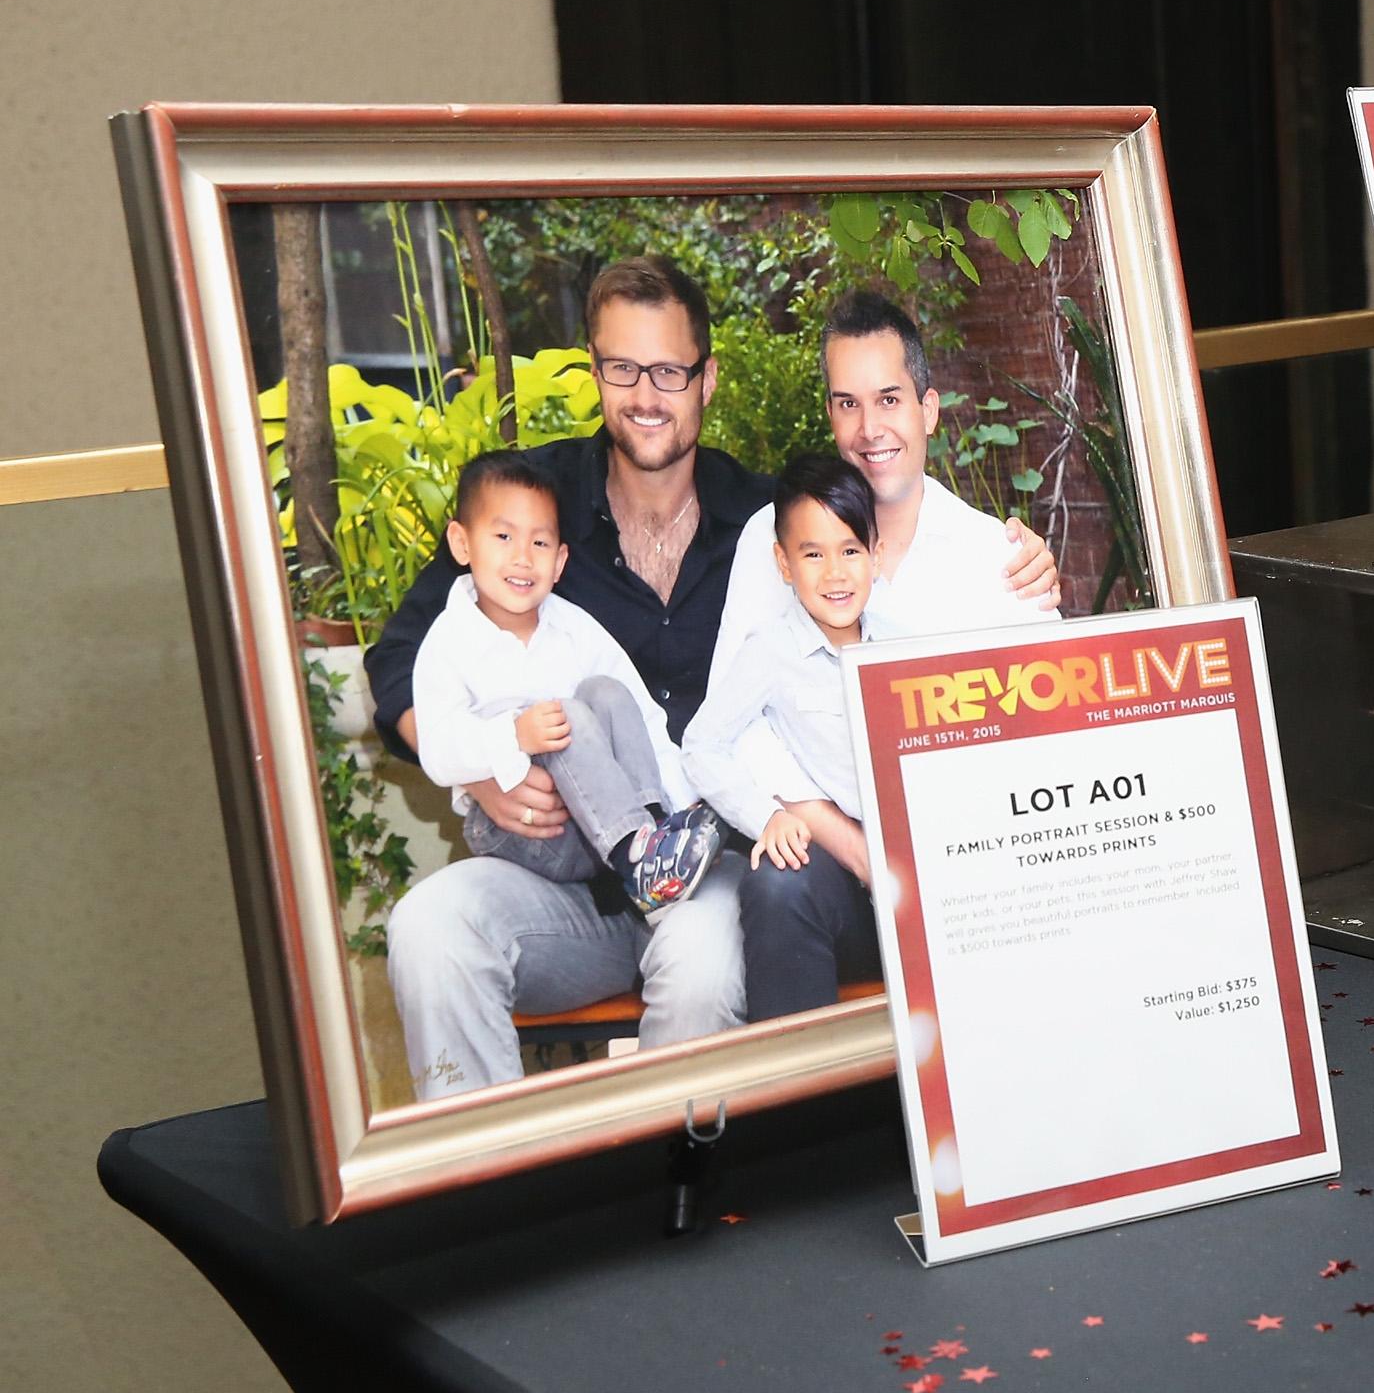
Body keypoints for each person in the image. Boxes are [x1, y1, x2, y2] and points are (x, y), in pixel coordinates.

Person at [366, 256, 1061, 1100]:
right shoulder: (531, 511)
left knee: (701, 967)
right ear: (595, 374)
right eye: (623, 369)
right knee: (429, 930)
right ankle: (488, 1185)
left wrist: (1023, 563)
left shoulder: (767, 524)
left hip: (698, 873)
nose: (646, 394)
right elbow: (399, 659)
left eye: (669, 371)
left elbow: (848, 597)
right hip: (552, 876)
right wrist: (482, 765)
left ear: (707, 380)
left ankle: (686, 1195)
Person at [708, 290, 1058, 1019]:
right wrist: (857, 848)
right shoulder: (767, 545)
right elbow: (735, 733)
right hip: (834, 864)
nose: (870, 429)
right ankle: (806, 1119)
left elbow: (1041, 739)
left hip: (967, 874)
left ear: (928, 409)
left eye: (889, 399)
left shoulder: (996, 557)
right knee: (776, 885)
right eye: (846, 404)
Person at [410, 450, 726, 910]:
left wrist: (686, 801)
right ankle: (638, 862)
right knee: (570, 716)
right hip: (521, 826)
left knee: (607, 692)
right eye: (503, 536)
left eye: (539, 544)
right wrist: (513, 736)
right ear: (461, 544)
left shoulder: (575, 628)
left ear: (559, 562)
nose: (522, 558)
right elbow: (438, 754)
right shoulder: (448, 643)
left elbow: (641, 714)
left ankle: (656, 837)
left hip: (594, 820)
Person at [683, 453, 885, 1021]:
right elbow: (702, 744)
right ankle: (802, 1094)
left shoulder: (904, 644)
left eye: (850, 550)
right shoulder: (771, 653)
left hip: (922, 869)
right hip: (843, 879)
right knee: (776, 883)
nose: (835, 573)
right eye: (812, 554)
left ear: (877, 552)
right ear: (783, 563)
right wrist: (764, 815)